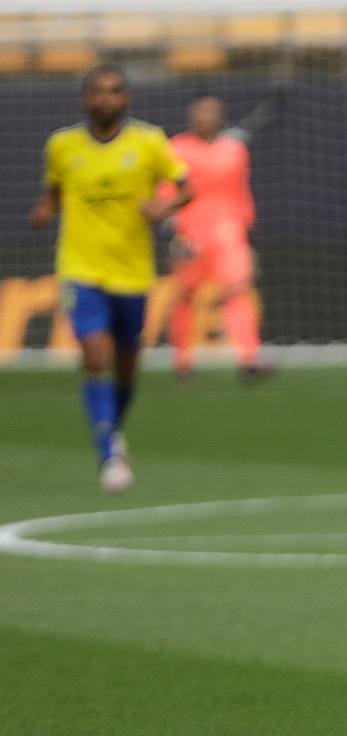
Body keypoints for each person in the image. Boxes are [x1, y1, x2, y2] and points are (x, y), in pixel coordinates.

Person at [31, 64, 192, 492]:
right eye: (98, 92)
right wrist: (45, 211)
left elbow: (186, 186)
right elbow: (53, 192)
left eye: (114, 92)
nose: (106, 99)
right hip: (80, 268)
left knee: (127, 369)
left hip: (133, 273)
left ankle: (110, 430)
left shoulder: (149, 141)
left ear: (126, 99)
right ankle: (109, 453)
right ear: (86, 98)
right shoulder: (62, 146)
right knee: (95, 352)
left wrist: (165, 207)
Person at [165, 92, 266, 380]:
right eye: (201, 111)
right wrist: (173, 231)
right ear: (191, 114)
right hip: (190, 234)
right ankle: (183, 361)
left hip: (229, 233)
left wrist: (248, 230)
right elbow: (167, 192)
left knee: (236, 292)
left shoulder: (234, 149)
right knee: (185, 296)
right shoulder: (176, 148)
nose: (206, 117)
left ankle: (249, 357)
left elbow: (241, 193)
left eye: (212, 111)